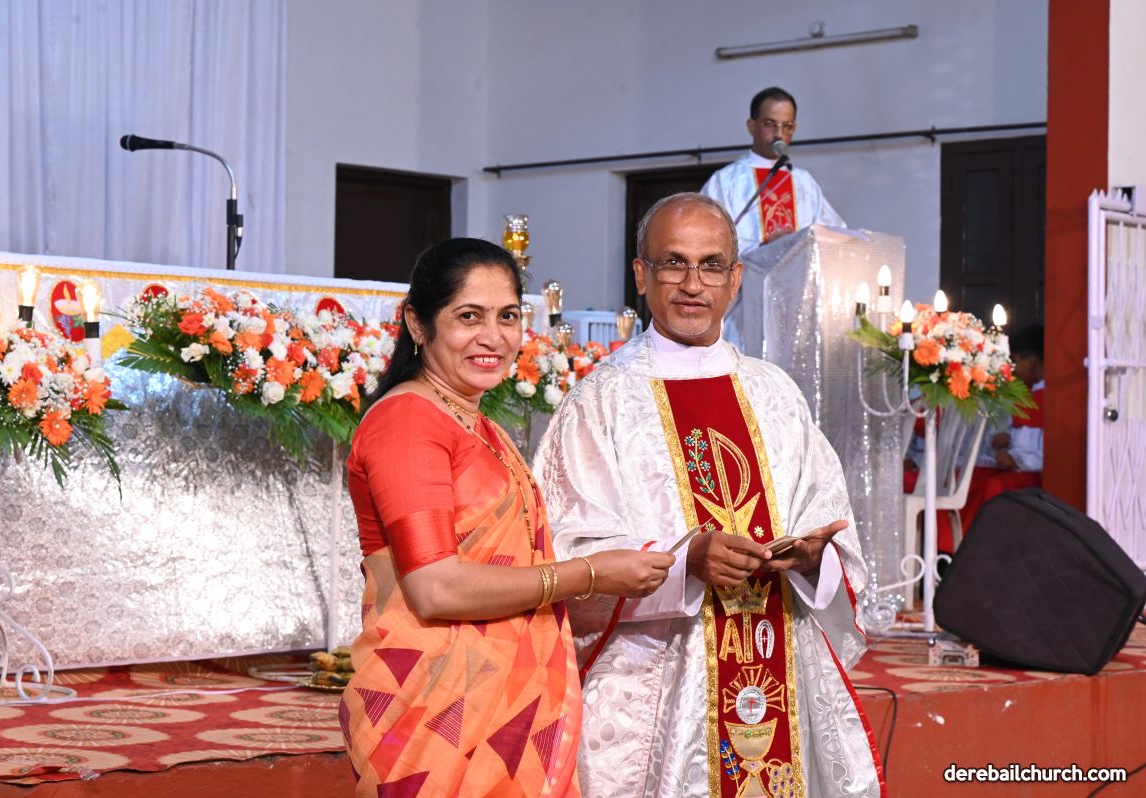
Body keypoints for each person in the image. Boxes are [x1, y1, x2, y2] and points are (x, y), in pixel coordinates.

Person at [534, 194, 884, 797]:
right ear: (641, 274)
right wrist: (683, 563)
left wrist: (812, 557)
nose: (693, 284)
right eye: (673, 263)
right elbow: (565, 546)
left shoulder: (775, 393)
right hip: (654, 686)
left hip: (778, 659)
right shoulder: (601, 400)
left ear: (735, 279)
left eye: (711, 265)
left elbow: (833, 525)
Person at [340, 237, 675, 796]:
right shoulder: (407, 422)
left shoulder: (477, 424)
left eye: (508, 316)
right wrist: (590, 574)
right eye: (468, 316)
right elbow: (435, 588)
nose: (493, 337)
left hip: (506, 701)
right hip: (436, 707)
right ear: (418, 324)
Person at [701, 86, 845, 258]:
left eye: (787, 126)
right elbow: (708, 239)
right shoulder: (725, 182)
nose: (779, 134)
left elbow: (835, 234)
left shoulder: (803, 181)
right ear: (751, 126)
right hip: (748, 274)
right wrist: (764, 247)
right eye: (770, 124)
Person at [955, 323, 1046, 536]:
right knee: (972, 478)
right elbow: (1023, 435)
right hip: (1016, 466)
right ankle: (957, 540)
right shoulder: (1027, 393)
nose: (1012, 369)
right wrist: (1006, 439)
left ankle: (983, 541)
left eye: (1015, 361)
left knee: (994, 487)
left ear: (1031, 362)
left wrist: (1017, 460)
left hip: (1034, 473)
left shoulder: (1049, 398)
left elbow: (1049, 450)